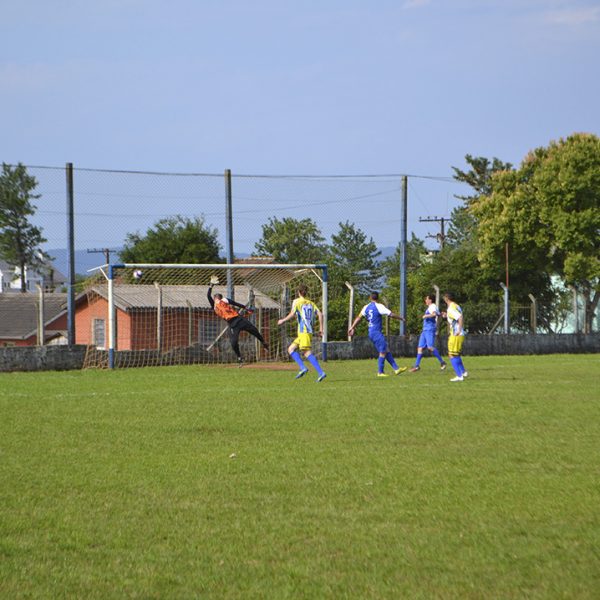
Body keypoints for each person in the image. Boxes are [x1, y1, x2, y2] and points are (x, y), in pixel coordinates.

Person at [207, 282, 269, 366]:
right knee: (233, 342)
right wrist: (211, 286)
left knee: (254, 330)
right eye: (215, 297)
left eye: (217, 297)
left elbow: (235, 303)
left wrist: (246, 308)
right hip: (232, 324)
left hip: (239, 319)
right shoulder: (214, 306)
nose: (216, 298)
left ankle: (263, 343)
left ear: (219, 297)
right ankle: (240, 358)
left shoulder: (224, 300)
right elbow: (208, 295)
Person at [348, 291, 407, 377]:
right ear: (378, 298)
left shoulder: (366, 307)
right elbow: (390, 314)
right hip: (376, 332)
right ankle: (380, 372)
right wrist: (401, 318)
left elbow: (358, 318)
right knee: (383, 351)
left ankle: (396, 369)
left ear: (370, 298)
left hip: (371, 332)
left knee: (386, 350)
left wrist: (352, 327)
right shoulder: (379, 306)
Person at [277, 284, 327, 382]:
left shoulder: (298, 303)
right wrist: (321, 329)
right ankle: (303, 368)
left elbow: (292, 314)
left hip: (304, 331)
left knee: (306, 352)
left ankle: (321, 372)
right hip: (306, 332)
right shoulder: (311, 303)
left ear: (298, 292)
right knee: (290, 349)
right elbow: (320, 314)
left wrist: (283, 320)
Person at [409, 294, 447, 373]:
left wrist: (426, 316)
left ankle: (442, 362)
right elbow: (437, 314)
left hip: (429, 329)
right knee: (420, 348)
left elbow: (434, 314)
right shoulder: (431, 307)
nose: (425, 301)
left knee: (430, 347)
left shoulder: (433, 306)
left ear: (430, 300)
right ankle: (416, 366)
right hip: (425, 330)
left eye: (426, 299)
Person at [441, 292, 468, 382]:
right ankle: (463, 372)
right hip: (458, 334)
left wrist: (458, 330)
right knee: (455, 354)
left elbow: (460, 317)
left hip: (456, 334)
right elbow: (455, 318)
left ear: (446, 299)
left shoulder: (451, 308)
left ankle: (459, 375)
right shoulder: (456, 306)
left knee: (451, 354)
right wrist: (446, 316)